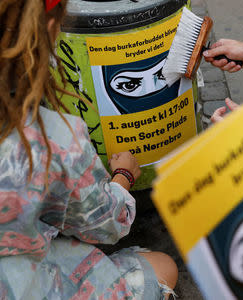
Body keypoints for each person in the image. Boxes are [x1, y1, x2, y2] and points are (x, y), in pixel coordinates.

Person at [0, 0, 177, 299]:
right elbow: (107, 224)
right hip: (21, 285)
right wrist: (123, 177)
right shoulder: (55, 140)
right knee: (163, 267)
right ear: (48, 29)